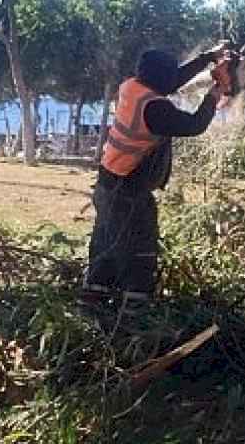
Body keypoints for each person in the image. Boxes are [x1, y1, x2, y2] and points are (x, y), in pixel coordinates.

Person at [81, 45, 233, 313]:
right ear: (160, 79)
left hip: (108, 183)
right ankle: (134, 312)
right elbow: (193, 125)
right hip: (128, 190)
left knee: (106, 241)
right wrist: (215, 92)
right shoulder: (154, 109)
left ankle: (94, 301)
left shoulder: (131, 87)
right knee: (139, 248)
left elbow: (171, 81)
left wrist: (207, 59)